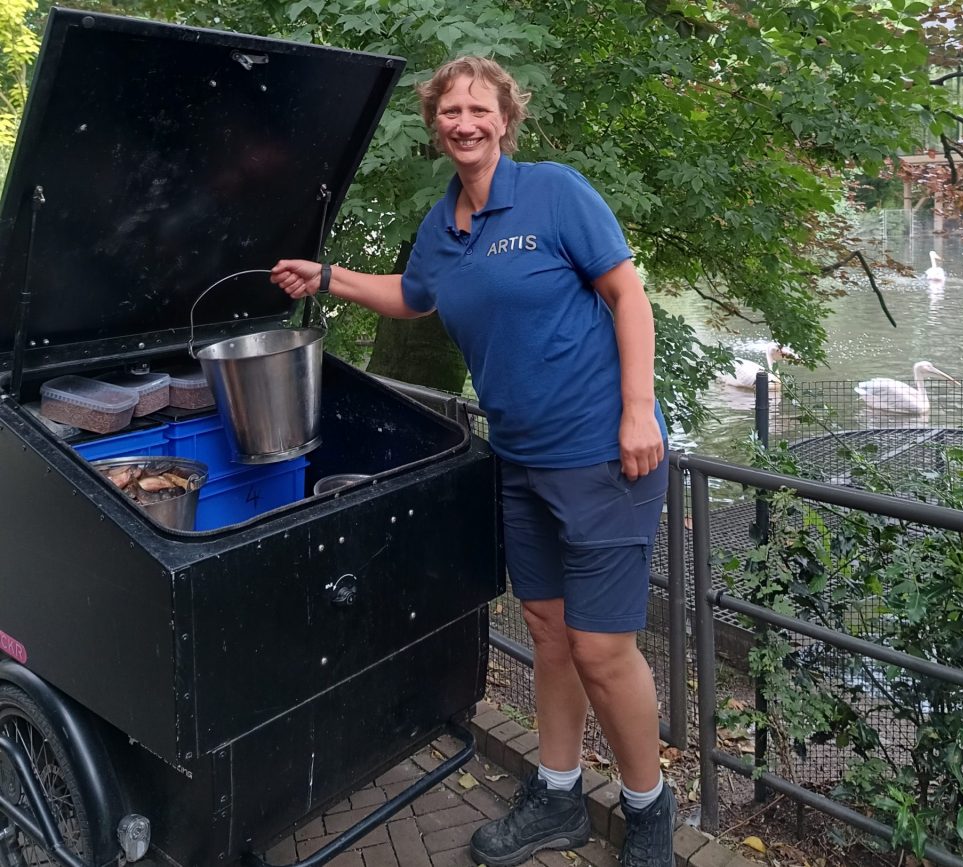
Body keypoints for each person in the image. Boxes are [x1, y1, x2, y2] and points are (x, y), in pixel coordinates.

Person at [270, 56, 674, 867]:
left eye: (478, 108)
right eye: (449, 110)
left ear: (505, 118)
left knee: (601, 648)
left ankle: (649, 813)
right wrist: (329, 277)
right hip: (519, 459)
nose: (464, 122)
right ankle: (557, 795)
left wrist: (638, 409)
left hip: (602, 453)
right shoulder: (444, 224)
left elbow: (629, 295)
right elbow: (414, 295)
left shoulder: (555, 192)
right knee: (549, 631)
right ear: (435, 124)